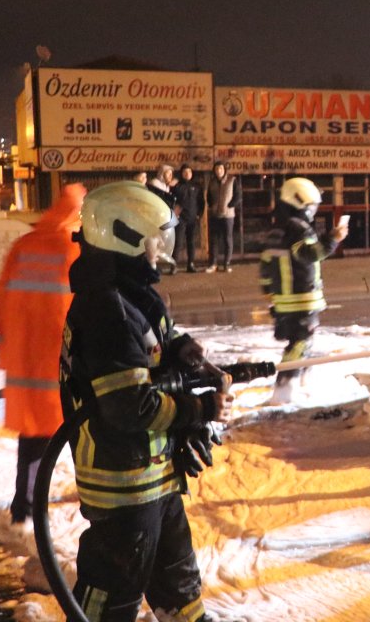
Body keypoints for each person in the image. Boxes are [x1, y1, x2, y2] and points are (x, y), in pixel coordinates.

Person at [59, 181, 232, 621]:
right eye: (155, 239)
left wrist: (182, 348)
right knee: (111, 597)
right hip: (124, 485)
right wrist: (200, 411)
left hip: (153, 475)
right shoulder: (106, 310)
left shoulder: (130, 293)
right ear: (126, 237)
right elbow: (128, 406)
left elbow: (155, 336)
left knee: (176, 580)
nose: (161, 248)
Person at [0, 183, 85, 525]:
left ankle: (25, 507)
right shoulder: (74, 249)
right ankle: (95, 498)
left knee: (33, 436)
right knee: (81, 430)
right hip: (62, 362)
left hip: (26, 363)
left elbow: (2, 301)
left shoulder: (24, 245)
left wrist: (5, 351)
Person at [260, 177, 347, 404]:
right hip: (302, 298)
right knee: (300, 343)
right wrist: (332, 239)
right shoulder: (299, 228)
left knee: (301, 342)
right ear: (299, 202)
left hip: (284, 299)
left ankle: (301, 382)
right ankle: (285, 389)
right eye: (311, 207)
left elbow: (266, 264)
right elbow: (309, 254)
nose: (313, 211)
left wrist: (270, 291)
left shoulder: (276, 230)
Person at [203, 162, 237, 273]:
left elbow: (238, 196)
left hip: (228, 216)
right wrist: (211, 205)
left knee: (227, 239)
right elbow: (208, 197)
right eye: (217, 169)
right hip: (214, 215)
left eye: (221, 168)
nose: (219, 171)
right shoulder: (212, 182)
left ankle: (227, 264)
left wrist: (229, 206)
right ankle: (213, 264)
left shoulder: (232, 180)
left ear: (224, 169)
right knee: (213, 240)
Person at [146, 165, 179, 275]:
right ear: (162, 173)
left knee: (159, 241)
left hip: (163, 217)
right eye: (168, 173)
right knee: (153, 241)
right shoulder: (155, 184)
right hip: (154, 217)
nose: (170, 176)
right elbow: (163, 199)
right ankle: (151, 266)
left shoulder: (165, 185)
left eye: (171, 174)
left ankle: (154, 265)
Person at [171, 164, 203, 272]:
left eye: (189, 172)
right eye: (185, 172)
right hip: (180, 219)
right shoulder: (177, 186)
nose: (187, 174)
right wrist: (175, 214)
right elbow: (172, 201)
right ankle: (174, 265)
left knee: (191, 242)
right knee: (178, 243)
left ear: (192, 173)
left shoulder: (197, 186)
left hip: (192, 218)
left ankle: (191, 264)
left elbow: (201, 202)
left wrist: (199, 214)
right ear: (182, 173)